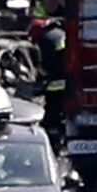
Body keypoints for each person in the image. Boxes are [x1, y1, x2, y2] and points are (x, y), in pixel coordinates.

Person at [35, 17, 67, 152]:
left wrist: (40, 76)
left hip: (55, 85)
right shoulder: (61, 34)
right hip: (67, 82)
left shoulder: (44, 38)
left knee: (51, 117)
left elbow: (45, 66)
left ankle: (54, 143)